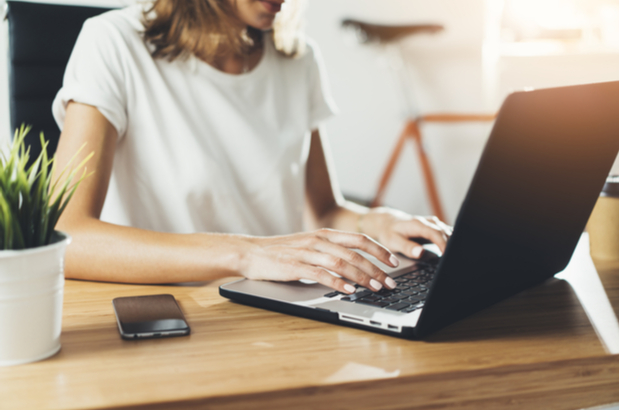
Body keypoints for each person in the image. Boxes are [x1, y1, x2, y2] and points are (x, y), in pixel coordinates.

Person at [51, 0, 451, 295]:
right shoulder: (113, 43)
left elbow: (325, 210)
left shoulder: (299, 58)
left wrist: (377, 223)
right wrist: (246, 253)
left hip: (278, 308)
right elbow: (64, 236)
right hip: (175, 308)